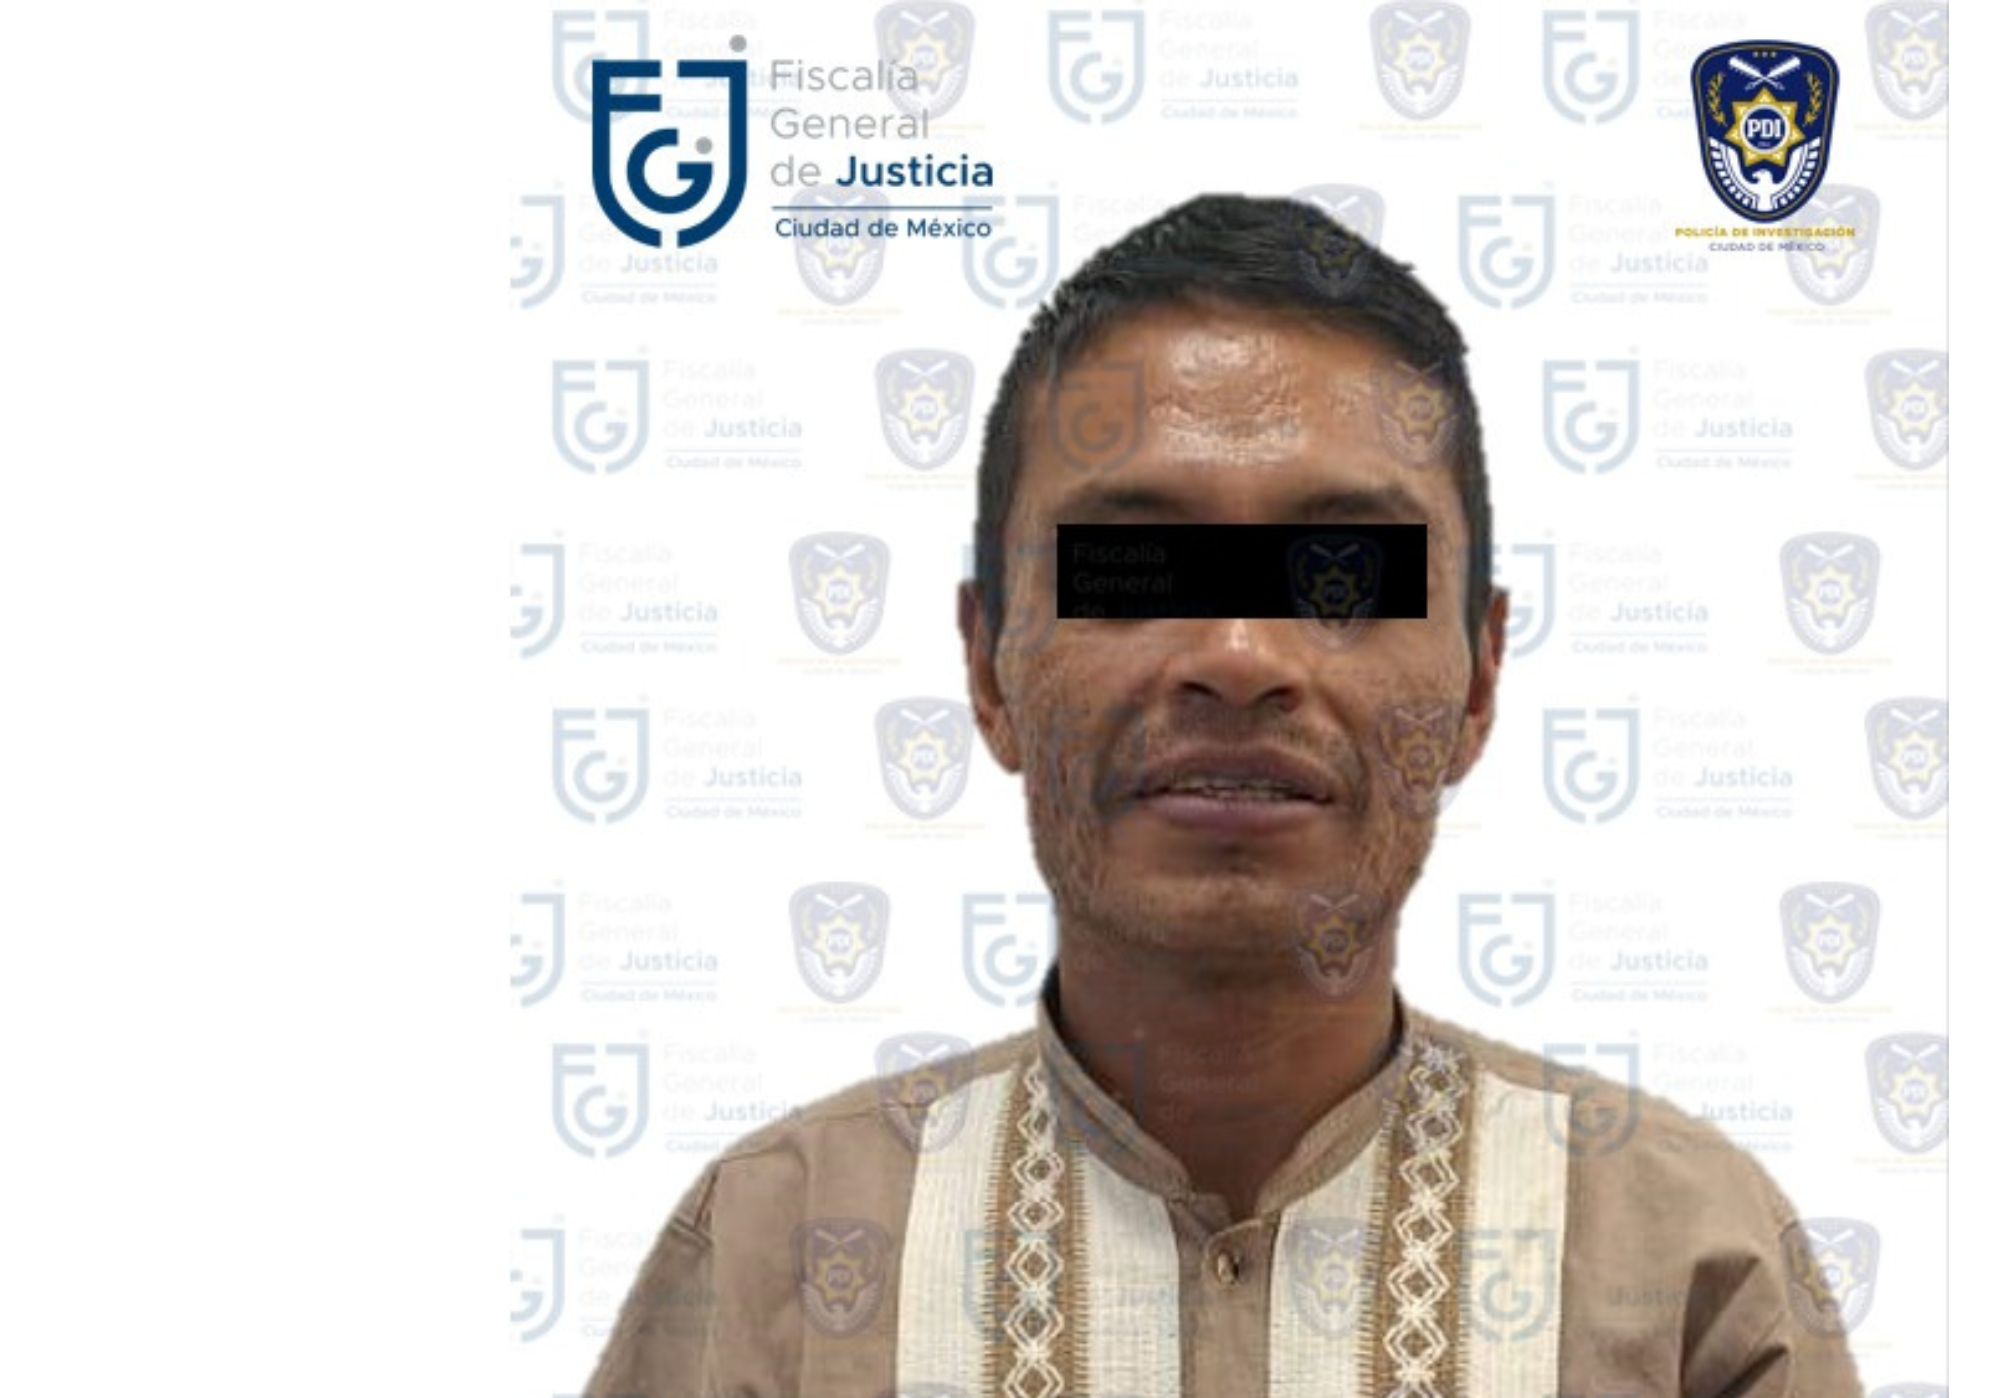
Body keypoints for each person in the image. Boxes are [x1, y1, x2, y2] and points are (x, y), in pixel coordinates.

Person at [586, 194, 1864, 1398]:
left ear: (1479, 678)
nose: (1240, 654)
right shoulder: (777, 1248)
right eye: (1134, 563)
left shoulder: (1684, 1260)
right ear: (986, 667)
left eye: (1341, 573)